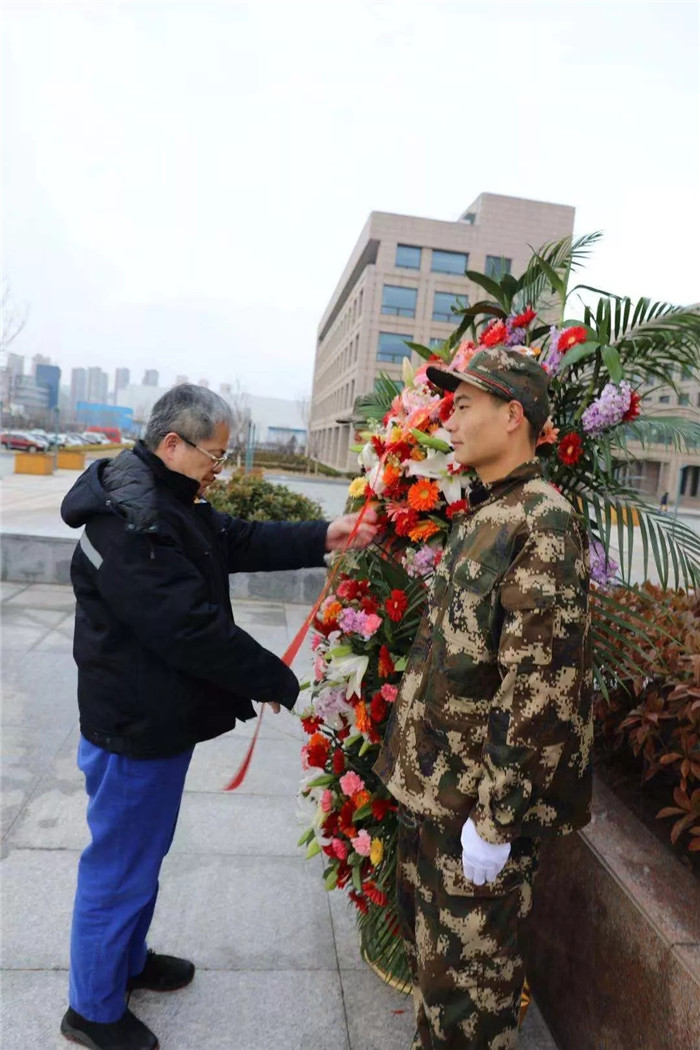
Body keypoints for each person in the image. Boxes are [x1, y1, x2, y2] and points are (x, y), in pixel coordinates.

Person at [59, 384, 377, 1050]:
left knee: (142, 855)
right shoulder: (131, 523)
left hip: (154, 717)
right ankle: (92, 1009)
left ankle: (127, 962)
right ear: (172, 443)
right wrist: (280, 682)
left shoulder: (166, 496)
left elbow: (232, 539)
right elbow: (191, 631)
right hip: (132, 727)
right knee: (120, 865)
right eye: (216, 456)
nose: (219, 470)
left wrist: (326, 533)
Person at [374, 347, 593, 1050]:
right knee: (438, 983)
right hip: (437, 795)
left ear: (513, 415)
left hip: (474, 809)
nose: (450, 419)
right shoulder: (491, 511)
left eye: (465, 405)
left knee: (470, 1003)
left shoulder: (542, 520)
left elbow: (540, 689)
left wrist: (496, 823)